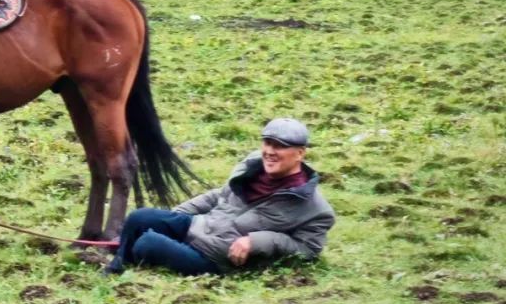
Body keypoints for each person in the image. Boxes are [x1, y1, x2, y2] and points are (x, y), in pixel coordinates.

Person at [104, 117, 334, 276]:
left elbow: (307, 249)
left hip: (215, 256)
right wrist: (174, 218)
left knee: (147, 242)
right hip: (199, 227)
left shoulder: (314, 208)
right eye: (267, 143)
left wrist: (256, 241)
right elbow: (217, 196)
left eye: (280, 146)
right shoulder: (253, 165)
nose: (270, 152)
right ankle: (121, 259)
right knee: (140, 217)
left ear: (300, 153)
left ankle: (124, 256)